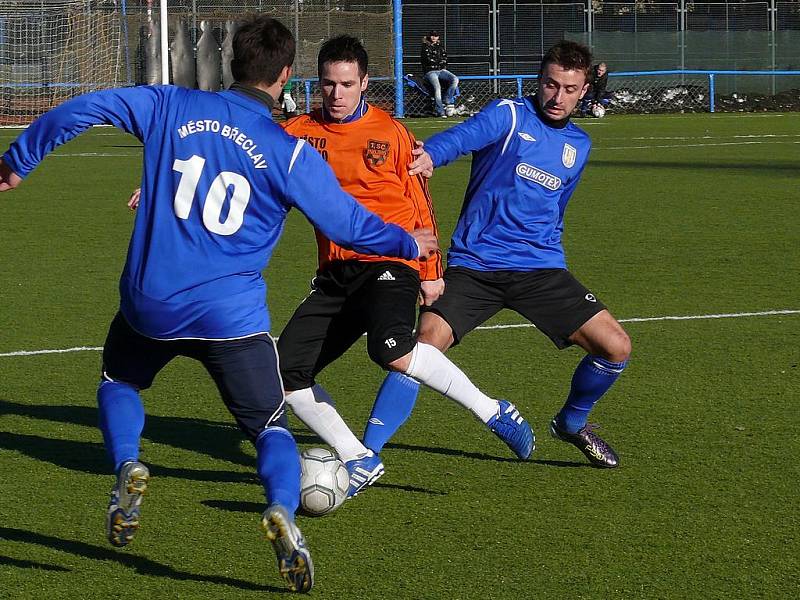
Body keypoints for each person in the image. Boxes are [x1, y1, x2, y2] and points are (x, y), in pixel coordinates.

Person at [0, 16, 437, 593]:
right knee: (269, 428)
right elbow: (348, 223)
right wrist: (407, 242)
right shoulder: (290, 150)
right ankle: (282, 508)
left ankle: (129, 463)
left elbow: (87, 107)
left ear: (232, 64)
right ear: (285, 76)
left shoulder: (168, 105)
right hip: (230, 316)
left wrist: (19, 159)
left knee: (119, 383)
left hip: (150, 303)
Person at [278, 35, 533, 498]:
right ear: (316, 83)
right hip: (336, 272)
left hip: (392, 260)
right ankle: (358, 458)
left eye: (347, 84)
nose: (337, 94)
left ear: (365, 83)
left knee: (390, 347)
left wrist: (432, 271)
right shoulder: (297, 132)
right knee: (286, 376)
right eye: (328, 84)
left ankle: (492, 410)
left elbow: (420, 203)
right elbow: (239, 161)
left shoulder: (391, 134)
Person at [363, 41, 631, 469]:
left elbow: (557, 209)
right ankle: (367, 453)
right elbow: (462, 137)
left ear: (584, 91)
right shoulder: (508, 115)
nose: (557, 96)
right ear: (538, 81)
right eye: (550, 84)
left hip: (541, 270)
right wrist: (432, 154)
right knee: (420, 349)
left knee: (616, 347)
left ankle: (572, 422)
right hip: (476, 268)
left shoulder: (578, 145)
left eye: (569, 88)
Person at [420, 30, 459, 117]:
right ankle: (440, 110)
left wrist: (439, 61)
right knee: (437, 88)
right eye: (432, 36)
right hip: (430, 72)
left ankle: (447, 100)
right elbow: (428, 60)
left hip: (441, 70)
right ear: (429, 36)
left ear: (438, 37)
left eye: (436, 36)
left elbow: (445, 59)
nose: (434, 37)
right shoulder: (425, 47)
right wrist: (439, 61)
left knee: (455, 79)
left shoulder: (440, 47)